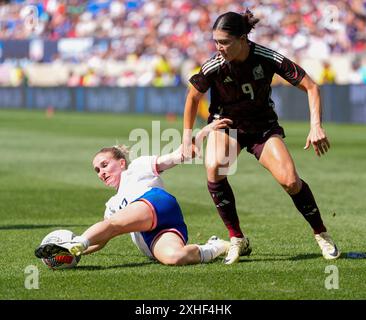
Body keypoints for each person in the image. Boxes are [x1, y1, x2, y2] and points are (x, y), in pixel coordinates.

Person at [182, 10, 340, 264]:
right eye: (215, 42)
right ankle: (237, 239)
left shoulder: (267, 57)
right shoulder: (214, 65)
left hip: (262, 128)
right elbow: (192, 97)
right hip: (227, 125)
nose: (218, 48)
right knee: (214, 168)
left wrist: (316, 125)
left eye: (224, 42)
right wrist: (186, 138)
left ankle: (322, 233)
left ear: (243, 38)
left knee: (290, 182)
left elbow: (311, 86)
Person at [35, 119, 234, 266]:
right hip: (153, 233)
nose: (101, 172)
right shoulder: (112, 205)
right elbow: (102, 240)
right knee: (175, 257)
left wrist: (202, 134)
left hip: (157, 203)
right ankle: (216, 247)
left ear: (121, 163)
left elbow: (180, 155)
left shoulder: (138, 166)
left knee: (112, 223)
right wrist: (74, 254)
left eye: (104, 165)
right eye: (97, 170)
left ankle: (75, 242)